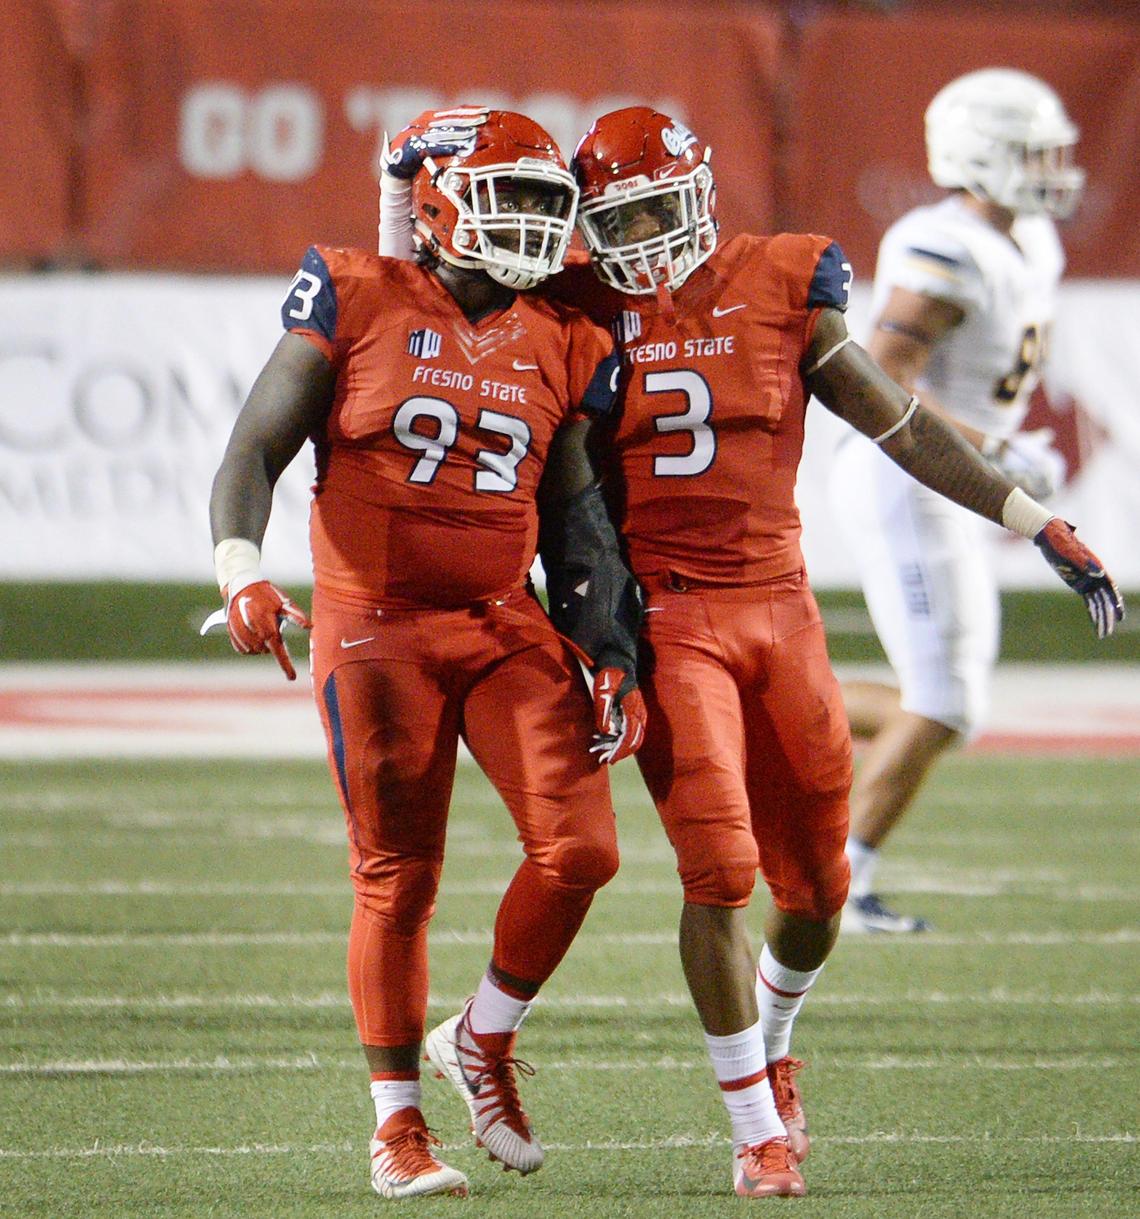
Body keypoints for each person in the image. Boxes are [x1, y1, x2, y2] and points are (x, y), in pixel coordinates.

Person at [378, 104, 1121, 1199]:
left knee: (814, 888)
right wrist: (400, 188)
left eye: (660, 212)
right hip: (666, 615)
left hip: (780, 604)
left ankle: (775, 1037)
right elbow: (418, 306)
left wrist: (1028, 516)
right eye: (618, 220)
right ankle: (754, 1127)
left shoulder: (781, 280)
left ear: (705, 195)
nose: (644, 241)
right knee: (719, 870)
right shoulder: (569, 300)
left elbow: (900, 421)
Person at [207, 107, 647, 1201]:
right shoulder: (358, 293)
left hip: (502, 620)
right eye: (519, 196)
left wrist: (606, 645)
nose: (541, 221)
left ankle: (482, 1035)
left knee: (583, 848)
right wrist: (239, 570)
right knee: (399, 879)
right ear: (445, 204)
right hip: (374, 625)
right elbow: (254, 446)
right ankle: (395, 1128)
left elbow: (577, 513)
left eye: (553, 200)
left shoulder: (565, 331)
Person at [829, 68, 1095, 933]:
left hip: (956, 474)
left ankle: (769, 697)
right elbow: (881, 377)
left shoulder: (1030, 239)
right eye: (1033, 151)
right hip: (910, 472)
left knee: (950, 700)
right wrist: (997, 449)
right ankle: (842, 882)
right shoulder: (941, 245)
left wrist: (999, 446)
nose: (1053, 166)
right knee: (942, 700)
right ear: (982, 155)